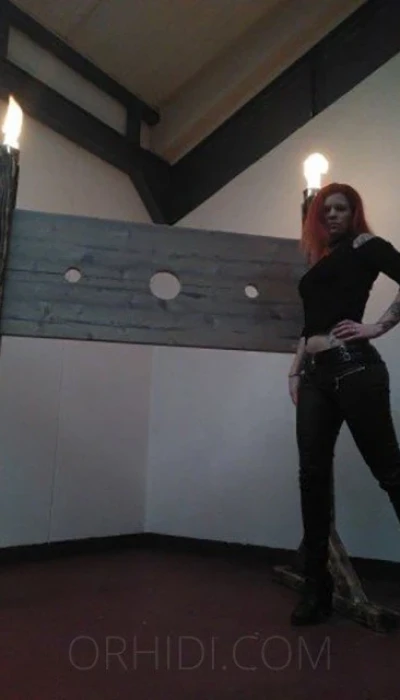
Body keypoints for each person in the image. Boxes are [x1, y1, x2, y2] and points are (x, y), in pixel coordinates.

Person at [287, 182, 400, 626]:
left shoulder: (365, 245)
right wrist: (295, 369)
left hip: (354, 367)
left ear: (354, 213)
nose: (332, 215)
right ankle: (317, 589)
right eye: (326, 209)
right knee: (311, 477)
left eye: (341, 208)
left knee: (390, 471)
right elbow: (310, 323)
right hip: (315, 376)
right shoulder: (320, 260)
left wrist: (377, 327)